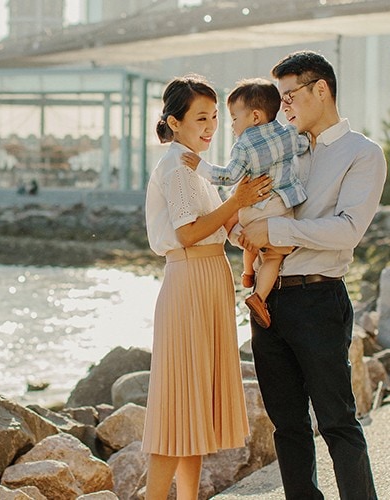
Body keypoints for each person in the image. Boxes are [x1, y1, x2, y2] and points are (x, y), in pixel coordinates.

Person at [238, 50, 386, 499]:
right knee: (287, 427)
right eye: (281, 99)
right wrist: (243, 227)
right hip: (269, 302)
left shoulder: (363, 154)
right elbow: (253, 213)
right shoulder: (283, 146)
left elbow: (348, 229)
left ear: (321, 89)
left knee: (337, 421)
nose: (284, 108)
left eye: (290, 96)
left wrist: (274, 230)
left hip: (319, 300)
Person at [142, 74, 272, 500]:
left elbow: (219, 228)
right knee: (177, 408)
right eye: (201, 117)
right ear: (174, 122)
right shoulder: (178, 167)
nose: (211, 126)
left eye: (215, 116)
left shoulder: (196, 168)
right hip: (189, 281)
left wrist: (246, 231)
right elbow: (188, 233)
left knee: (194, 412)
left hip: (208, 280)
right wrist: (237, 201)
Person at [182, 78, 308, 328]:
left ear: (255, 116)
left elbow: (229, 176)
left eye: (234, 119)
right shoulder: (288, 134)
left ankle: (248, 273)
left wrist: (202, 167)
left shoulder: (244, 145)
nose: (231, 126)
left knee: (247, 235)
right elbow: (305, 145)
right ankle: (259, 296)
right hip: (281, 208)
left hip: (254, 207)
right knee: (273, 256)